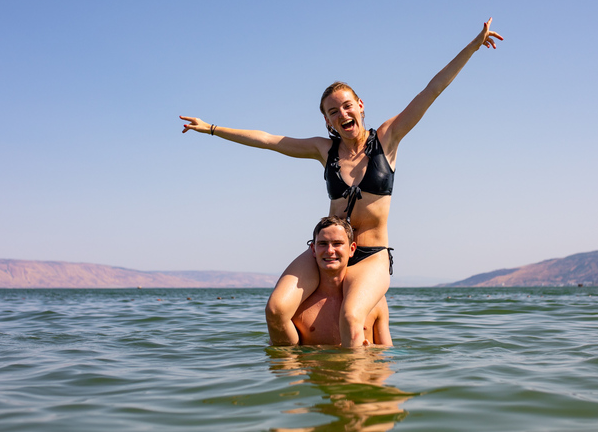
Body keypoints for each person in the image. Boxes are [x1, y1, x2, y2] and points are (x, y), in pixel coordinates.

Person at [181, 19, 503, 346]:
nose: (342, 114)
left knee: (350, 317)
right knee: (276, 309)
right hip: (330, 248)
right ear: (327, 120)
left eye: (347, 106)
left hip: (370, 254)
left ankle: (351, 392)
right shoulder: (324, 150)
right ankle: (292, 381)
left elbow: (431, 90)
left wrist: (473, 47)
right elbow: (268, 140)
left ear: (360, 107)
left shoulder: (388, 138)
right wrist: (211, 128)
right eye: (333, 111)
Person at [287, 216, 392, 346]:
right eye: (323, 244)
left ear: (352, 249)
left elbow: (388, 354)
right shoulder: (299, 304)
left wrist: (371, 352)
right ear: (313, 249)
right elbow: (285, 355)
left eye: (337, 243)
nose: (330, 251)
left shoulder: (374, 299)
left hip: (363, 366)